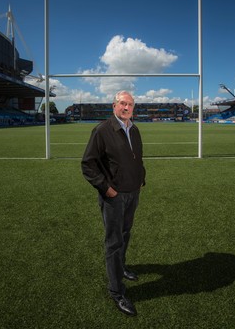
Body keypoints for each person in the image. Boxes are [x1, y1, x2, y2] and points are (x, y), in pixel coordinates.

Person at [81, 90, 146, 316]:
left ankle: (122, 268)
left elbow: (137, 157)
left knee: (126, 233)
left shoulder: (134, 129)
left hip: (132, 193)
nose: (126, 108)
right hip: (114, 196)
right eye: (122, 104)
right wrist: (107, 189)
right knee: (114, 241)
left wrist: (141, 179)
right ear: (114, 106)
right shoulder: (102, 130)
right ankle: (116, 292)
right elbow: (88, 165)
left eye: (130, 104)